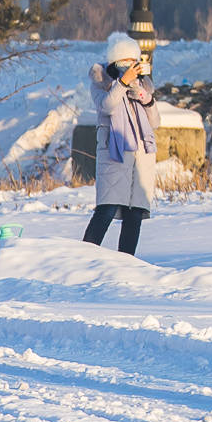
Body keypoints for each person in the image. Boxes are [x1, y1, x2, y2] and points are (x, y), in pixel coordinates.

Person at [82, 34, 158, 256]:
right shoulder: (101, 83)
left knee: (134, 215)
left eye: (133, 62)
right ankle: (83, 256)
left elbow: (155, 123)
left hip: (140, 157)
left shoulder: (141, 86)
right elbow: (107, 106)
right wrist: (123, 83)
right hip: (114, 154)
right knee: (107, 208)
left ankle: (127, 263)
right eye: (125, 62)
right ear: (115, 62)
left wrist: (146, 98)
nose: (129, 66)